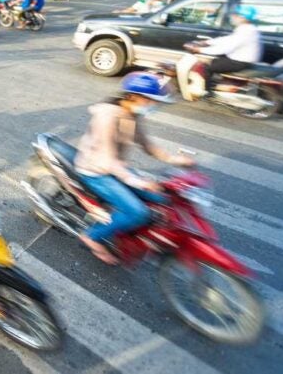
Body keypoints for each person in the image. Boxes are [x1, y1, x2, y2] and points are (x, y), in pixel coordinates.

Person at [74, 72, 194, 264]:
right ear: (132, 96)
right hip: (95, 171)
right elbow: (107, 159)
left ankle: (136, 233)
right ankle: (92, 237)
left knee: (163, 197)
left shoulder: (132, 115)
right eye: (150, 100)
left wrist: (174, 159)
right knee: (138, 212)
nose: (153, 105)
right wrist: (137, 182)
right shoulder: (107, 117)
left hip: (116, 168)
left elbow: (147, 145)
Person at [186, 5, 262, 93]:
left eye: (236, 15)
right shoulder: (247, 28)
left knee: (206, 68)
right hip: (240, 59)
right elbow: (227, 39)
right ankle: (219, 84)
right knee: (214, 60)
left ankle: (207, 93)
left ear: (243, 18)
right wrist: (207, 42)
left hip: (239, 62)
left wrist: (200, 50)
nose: (233, 17)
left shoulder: (246, 31)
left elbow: (225, 48)